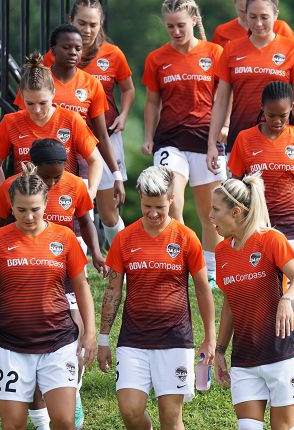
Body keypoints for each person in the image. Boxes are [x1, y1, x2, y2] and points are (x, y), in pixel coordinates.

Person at [0, 163, 97, 430]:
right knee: (13, 424)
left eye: (35, 209)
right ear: (11, 207)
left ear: (46, 204)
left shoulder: (65, 238)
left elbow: (82, 287)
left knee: (65, 422)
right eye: (21, 210)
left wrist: (90, 331)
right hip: (11, 345)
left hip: (58, 341)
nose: (29, 217)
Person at [0, 138, 104, 430]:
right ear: (34, 167)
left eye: (57, 176)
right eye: (46, 177)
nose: (52, 183)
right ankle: (41, 419)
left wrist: (97, 252)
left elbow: (86, 221)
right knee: (36, 343)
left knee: (73, 332)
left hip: (64, 265)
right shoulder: (13, 188)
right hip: (29, 270)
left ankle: (72, 390)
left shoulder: (76, 186)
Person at [97, 166, 216, 430]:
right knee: (130, 410)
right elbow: (113, 290)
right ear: (140, 197)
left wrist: (210, 337)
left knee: (170, 416)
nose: (153, 213)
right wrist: (103, 340)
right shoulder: (124, 239)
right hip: (133, 340)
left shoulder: (186, 238)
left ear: (172, 199)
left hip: (175, 340)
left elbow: (202, 289)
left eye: (160, 207)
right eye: (147, 206)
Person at [210, 174, 294, 430]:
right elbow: (230, 304)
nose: (210, 216)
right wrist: (220, 350)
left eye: (216, 210)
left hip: (283, 353)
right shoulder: (221, 252)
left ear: (235, 212)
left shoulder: (271, 239)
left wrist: (286, 299)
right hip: (245, 357)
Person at [227, 81, 294, 326]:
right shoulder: (245, 139)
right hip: (257, 225)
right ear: (262, 108)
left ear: (292, 107)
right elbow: (233, 189)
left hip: (293, 225)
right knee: (262, 290)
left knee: (293, 292)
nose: (277, 121)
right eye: (271, 115)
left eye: (283, 116)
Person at [142, 0, 226, 287]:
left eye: (180, 25)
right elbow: (152, 102)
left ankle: (211, 270)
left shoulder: (214, 53)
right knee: (171, 200)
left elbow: (225, 96)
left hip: (207, 140)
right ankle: (178, 262)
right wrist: (148, 136)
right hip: (170, 140)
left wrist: (225, 126)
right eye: (170, 26)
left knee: (211, 211)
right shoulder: (157, 58)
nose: (176, 31)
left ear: (193, 20)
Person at [17, 24, 126, 243]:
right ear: (53, 50)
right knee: (42, 215)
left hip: (79, 161)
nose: (73, 52)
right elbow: (22, 122)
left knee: (83, 221)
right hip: (41, 161)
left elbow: (101, 135)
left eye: (78, 48)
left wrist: (116, 174)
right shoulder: (39, 82)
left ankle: (114, 255)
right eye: (66, 47)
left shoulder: (91, 84)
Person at [42, 0, 135, 246]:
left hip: (104, 137)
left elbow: (128, 89)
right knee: (64, 205)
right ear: (70, 20)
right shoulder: (54, 55)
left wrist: (124, 115)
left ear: (101, 23)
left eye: (93, 24)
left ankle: (119, 257)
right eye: (81, 23)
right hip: (65, 143)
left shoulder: (113, 54)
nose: (87, 29)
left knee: (108, 212)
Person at [207, 0, 294, 171]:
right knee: (238, 189)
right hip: (240, 141)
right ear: (245, 15)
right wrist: (212, 144)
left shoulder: (293, 49)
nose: (258, 23)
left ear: (275, 16)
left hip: (281, 142)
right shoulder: (231, 49)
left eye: (264, 17)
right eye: (253, 17)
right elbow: (221, 101)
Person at [0, 52, 103, 196]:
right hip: (27, 204)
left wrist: (91, 192)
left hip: (65, 203)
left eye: (43, 103)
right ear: (21, 96)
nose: (36, 110)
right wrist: (7, 194)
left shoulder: (72, 119)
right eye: (30, 103)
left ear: (53, 93)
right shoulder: (10, 122)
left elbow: (95, 161)